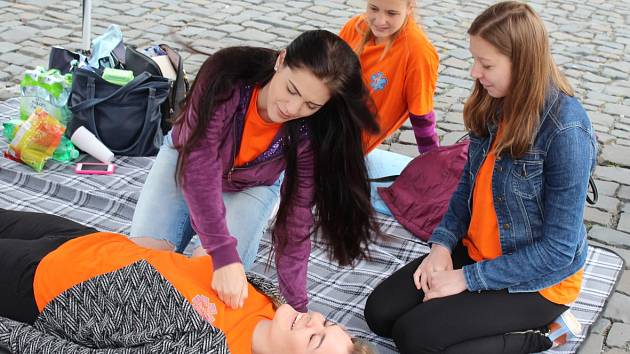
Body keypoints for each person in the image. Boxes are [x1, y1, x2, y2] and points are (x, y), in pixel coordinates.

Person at [363, 2, 597, 353]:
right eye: (475, 60)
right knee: (380, 314)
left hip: (537, 279)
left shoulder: (567, 130)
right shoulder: (493, 102)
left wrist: (466, 279)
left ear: (523, 64)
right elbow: (466, 189)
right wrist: (441, 246)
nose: (475, 72)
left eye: (486, 64)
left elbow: (559, 251)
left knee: (416, 338)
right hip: (476, 251)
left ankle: (540, 338)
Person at [130, 30, 381, 312]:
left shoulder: (310, 131)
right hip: (185, 160)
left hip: (252, 185)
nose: (292, 108)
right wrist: (224, 254)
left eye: (311, 105)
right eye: (292, 90)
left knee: (212, 288)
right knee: (140, 267)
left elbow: (296, 222)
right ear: (281, 60)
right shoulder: (226, 77)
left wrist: (296, 307)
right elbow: (199, 169)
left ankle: (254, 216)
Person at [0, 208, 375, 354]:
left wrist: (9, 334)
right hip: (87, 241)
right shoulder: (270, 300)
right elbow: (192, 268)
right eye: (327, 322)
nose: (313, 321)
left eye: (314, 340)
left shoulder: (209, 349)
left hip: (42, 283)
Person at [338, 0, 440, 215]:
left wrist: (435, 168)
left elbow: (422, 117)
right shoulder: (355, 26)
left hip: (344, 147)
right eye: (373, 9)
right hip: (319, 125)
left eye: (392, 13)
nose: (380, 20)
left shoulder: (418, 52)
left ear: (409, 8)